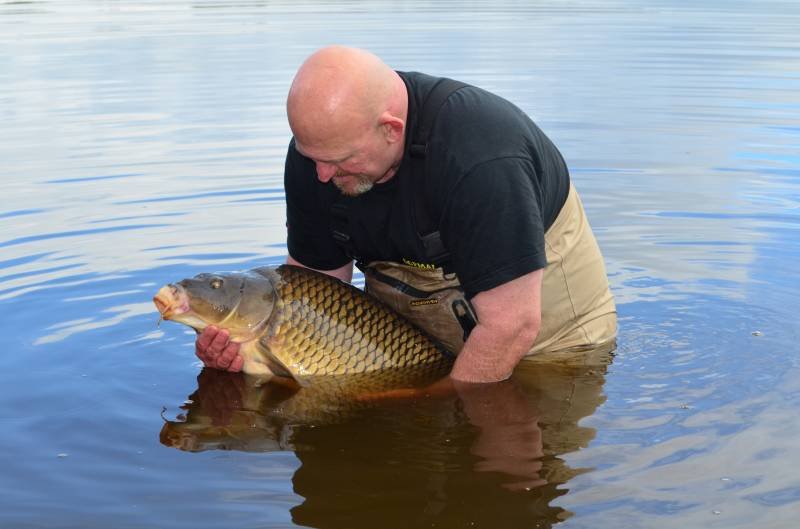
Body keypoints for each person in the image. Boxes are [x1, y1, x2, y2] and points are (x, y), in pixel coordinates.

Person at [195, 46, 616, 383]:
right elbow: (312, 288)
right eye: (312, 158)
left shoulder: (481, 158)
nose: (322, 176)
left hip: (545, 335)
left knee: (502, 440)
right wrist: (250, 346)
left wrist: (435, 403)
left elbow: (513, 326)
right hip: (412, 337)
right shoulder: (318, 153)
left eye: (339, 160)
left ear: (390, 128)